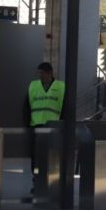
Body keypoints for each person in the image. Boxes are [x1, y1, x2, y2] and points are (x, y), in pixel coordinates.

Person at [23, 62, 65, 194]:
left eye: (42, 73)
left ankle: (52, 183)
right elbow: (26, 107)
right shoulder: (33, 86)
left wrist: (63, 124)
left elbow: (65, 107)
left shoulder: (61, 87)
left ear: (49, 73)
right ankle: (37, 182)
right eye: (39, 73)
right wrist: (27, 125)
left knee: (52, 157)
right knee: (36, 158)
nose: (39, 75)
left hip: (54, 128)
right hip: (36, 127)